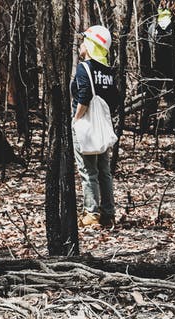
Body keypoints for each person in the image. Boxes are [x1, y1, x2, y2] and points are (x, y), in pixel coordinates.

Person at [72, 25, 121, 229]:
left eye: (84, 41)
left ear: (92, 45)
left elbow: (83, 97)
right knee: (104, 170)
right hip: (103, 127)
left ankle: (91, 214)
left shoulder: (84, 68)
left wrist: (76, 119)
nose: (80, 45)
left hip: (85, 126)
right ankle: (109, 214)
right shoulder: (108, 72)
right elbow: (115, 99)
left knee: (88, 170)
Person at [140, 1, 175, 134]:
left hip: (156, 67)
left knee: (152, 96)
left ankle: (146, 125)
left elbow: (150, 48)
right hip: (173, 68)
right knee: (172, 98)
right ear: (172, 13)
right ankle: (168, 126)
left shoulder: (152, 27)